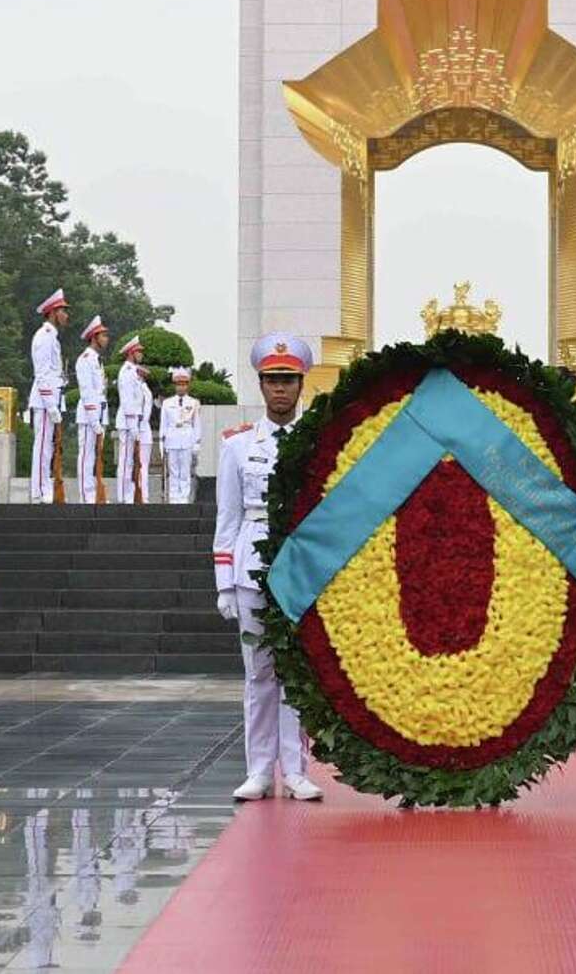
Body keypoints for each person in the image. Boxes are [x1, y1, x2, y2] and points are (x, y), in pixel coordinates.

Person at [212, 333, 321, 802]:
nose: (281, 389)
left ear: (301, 386)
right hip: (250, 563)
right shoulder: (238, 446)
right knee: (258, 674)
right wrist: (224, 585)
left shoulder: (315, 442)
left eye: (289, 381)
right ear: (261, 385)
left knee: (296, 673)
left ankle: (295, 769)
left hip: (299, 566)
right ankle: (258, 769)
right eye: (273, 380)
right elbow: (228, 518)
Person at [28, 290, 69, 504]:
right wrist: (51, 405)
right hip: (44, 402)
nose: (66, 315)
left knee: (48, 447)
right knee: (43, 447)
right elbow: (42, 373)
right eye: (63, 310)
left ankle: (43, 487)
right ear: (53, 312)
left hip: (51, 400)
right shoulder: (44, 336)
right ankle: (40, 490)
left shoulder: (51, 336)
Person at [74, 316, 111, 503]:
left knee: (96, 457)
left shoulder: (97, 360)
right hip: (90, 416)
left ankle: (93, 493)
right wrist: (94, 419)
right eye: (103, 335)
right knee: (86, 456)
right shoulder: (85, 359)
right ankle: (85, 494)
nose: (106, 339)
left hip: (99, 414)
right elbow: (87, 392)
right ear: (94, 337)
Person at [114, 335, 153, 503]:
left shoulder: (134, 373)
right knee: (126, 461)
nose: (141, 355)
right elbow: (127, 400)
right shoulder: (127, 372)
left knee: (135, 461)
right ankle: (124, 496)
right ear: (131, 353)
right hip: (128, 422)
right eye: (139, 351)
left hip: (136, 422)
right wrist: (132, 425)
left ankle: (134, 495)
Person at [160, 367, 202, 505]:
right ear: (175, 385)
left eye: (184, 384)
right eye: (178, 384)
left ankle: (184, 497)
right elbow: (164, 424)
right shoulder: (167, 403)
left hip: (187, 438)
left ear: (187, 385)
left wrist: (197, 443)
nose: (181, 387)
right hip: (172, 439)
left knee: (185, 471)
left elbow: (197, 424)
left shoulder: (194, 403)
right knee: (173, 471)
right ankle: (173, 497)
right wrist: (162, 442)